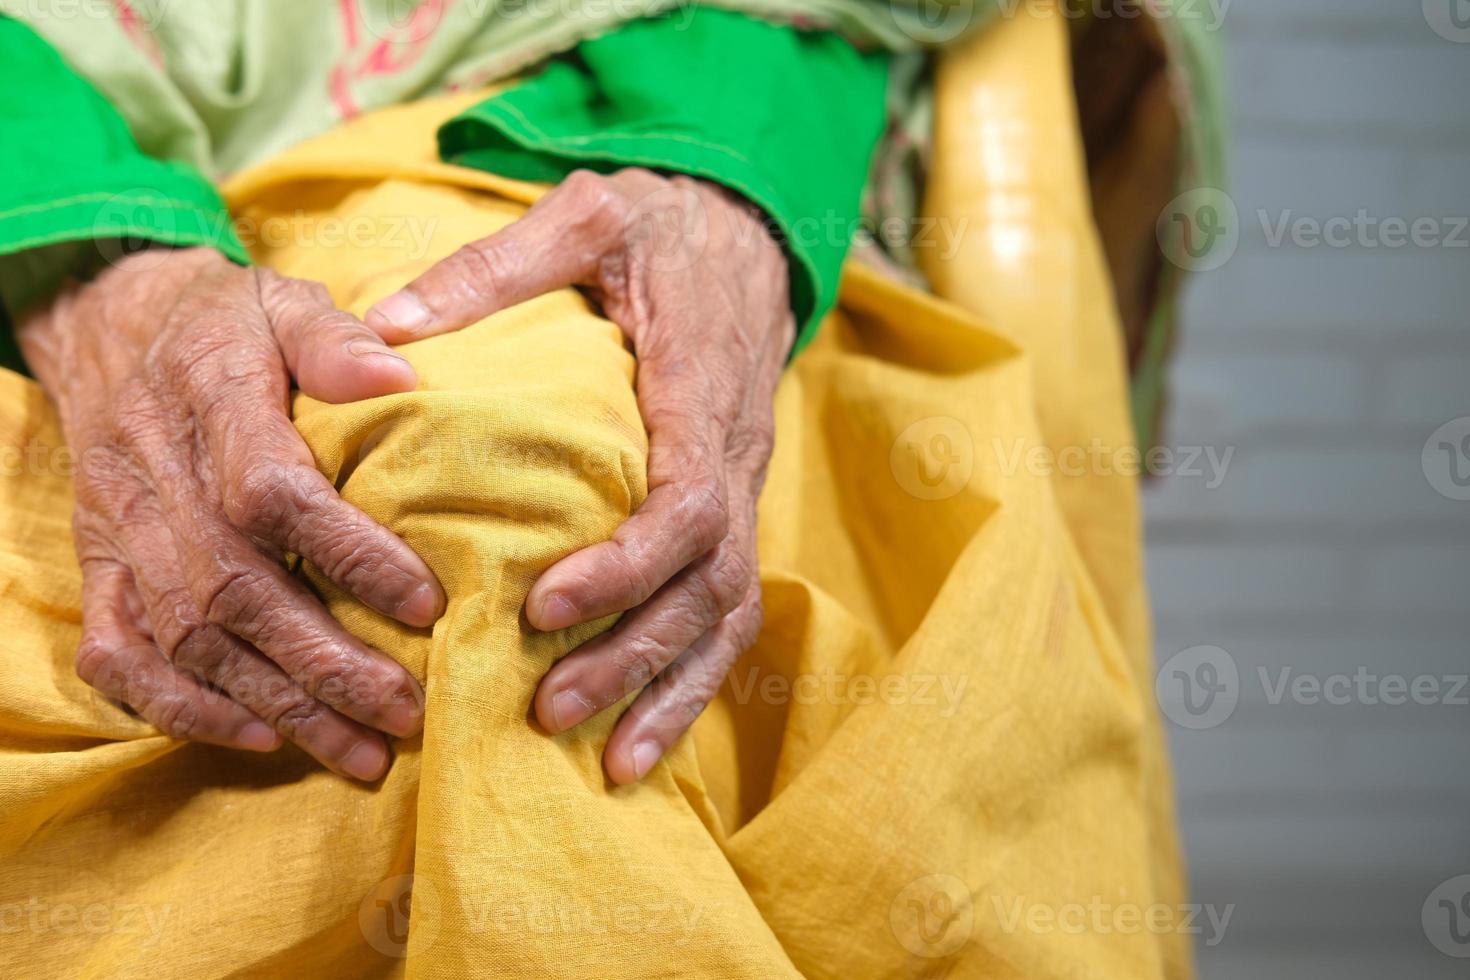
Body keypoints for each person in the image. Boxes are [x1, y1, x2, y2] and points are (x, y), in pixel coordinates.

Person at [0, 1, 1223, 975]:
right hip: (60, 100)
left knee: (503, 490)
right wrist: (77, 256)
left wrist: (727, 170)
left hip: (694, 54)